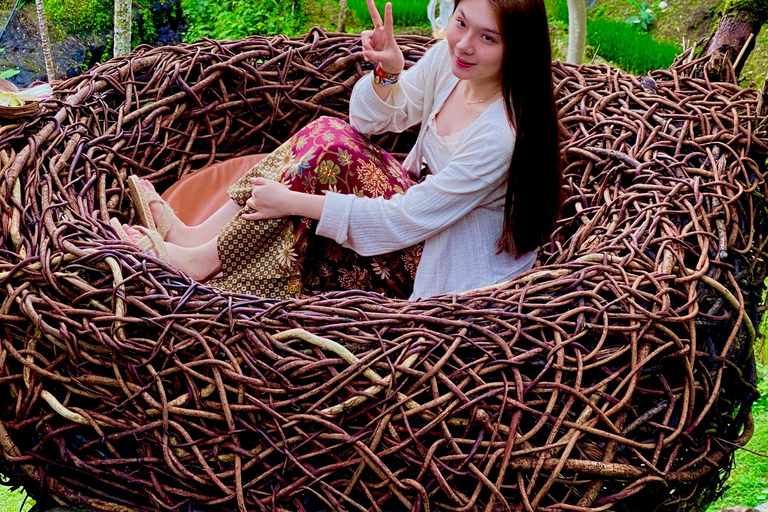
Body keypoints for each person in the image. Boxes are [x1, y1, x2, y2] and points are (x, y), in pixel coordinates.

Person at [114, 0, 563, 300]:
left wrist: (294, 202)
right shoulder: (452, 67)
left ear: (516, 49)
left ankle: (197, 262)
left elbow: (407, 218)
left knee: (326, 161)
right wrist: (389, 74)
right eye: (462, 22)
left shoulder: (501, 134)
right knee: (329, 131)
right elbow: (370, 122)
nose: (464, 43)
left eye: (488, 37)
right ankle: (194, 238)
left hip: (440, 258)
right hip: (422, 215)